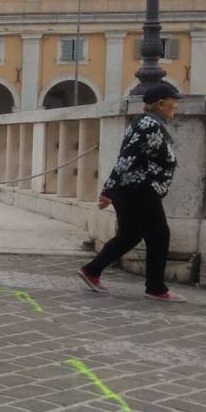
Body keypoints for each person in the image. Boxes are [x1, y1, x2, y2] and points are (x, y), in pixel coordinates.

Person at [78, 83, 183, 302]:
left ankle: (92, 270)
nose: (177, 105)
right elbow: (127, 157)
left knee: (130, 235)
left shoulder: (147, 123)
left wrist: (112, 190)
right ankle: (155, 288)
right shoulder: (148, 125)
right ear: (161, 103)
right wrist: (108, 190)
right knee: (159, 236)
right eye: (174, 101)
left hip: (132, 190)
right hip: (139, 189)